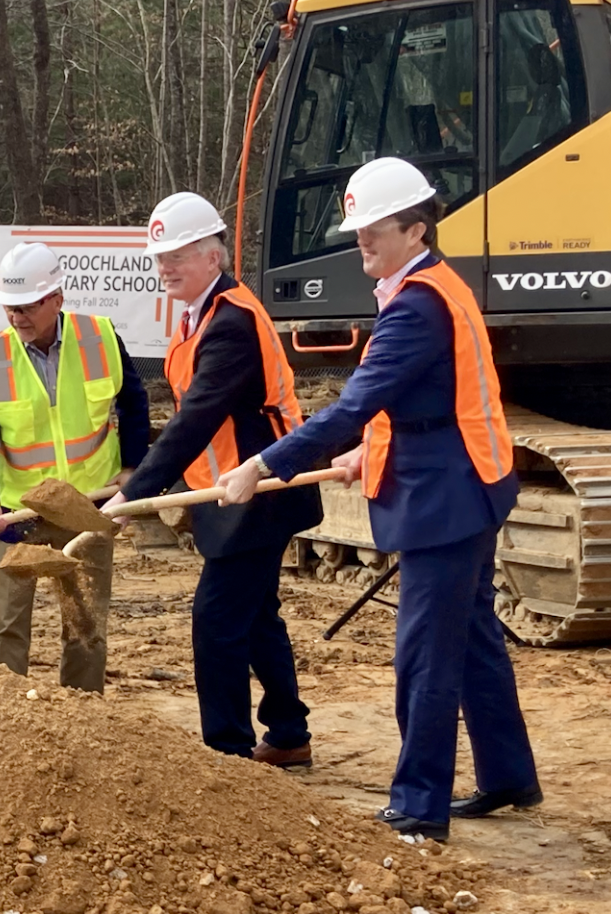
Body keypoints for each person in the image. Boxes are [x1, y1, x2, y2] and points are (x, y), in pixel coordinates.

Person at [216, 159, 537, 841]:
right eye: (356, 228)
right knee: (474, 636)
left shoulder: (416, 306)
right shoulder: (426, 286)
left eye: (372, 229)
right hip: (465, 477)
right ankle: (508, 774)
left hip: (447, 495)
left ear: (415, 228)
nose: (359, 240)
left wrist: (264, 463)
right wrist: (370, 450)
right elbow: (425, 397)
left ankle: (419, 803)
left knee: (425, 652)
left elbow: (359, 402)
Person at [101, 193, 320, 765]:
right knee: (255, 613)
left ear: (213, 257)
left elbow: (194, 419)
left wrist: (134, 493)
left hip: (258, 491)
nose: (165, 267)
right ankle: (289, 733)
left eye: (177, 254)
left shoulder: (232, 324)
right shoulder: (201, 316)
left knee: (217, 618)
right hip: (230, 490)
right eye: (159, 257)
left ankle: (226, 752)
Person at [0, 243, 148, 692]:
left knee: (85, 623)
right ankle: (3, 714)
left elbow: (135, 402)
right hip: (17, 514)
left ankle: (82, 713)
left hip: (88, 506)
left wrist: (132, 469)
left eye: (25, 307)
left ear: (56, 300)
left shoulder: (100, 337)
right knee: (8, 623)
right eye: (9, 308)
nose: (16, 317)